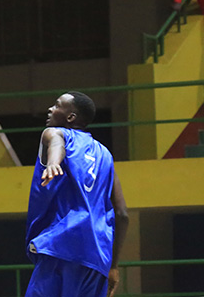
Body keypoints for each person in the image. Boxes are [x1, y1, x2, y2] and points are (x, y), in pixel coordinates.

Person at [25, 92, 129, 297]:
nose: (50, 109)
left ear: (70, 117)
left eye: (56, 105)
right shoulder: (105, 155)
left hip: (62, 243)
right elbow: (123, 214)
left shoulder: (54, 133)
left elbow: (56, 143)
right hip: (98, 258)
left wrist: (53, 162)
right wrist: (113, 266)